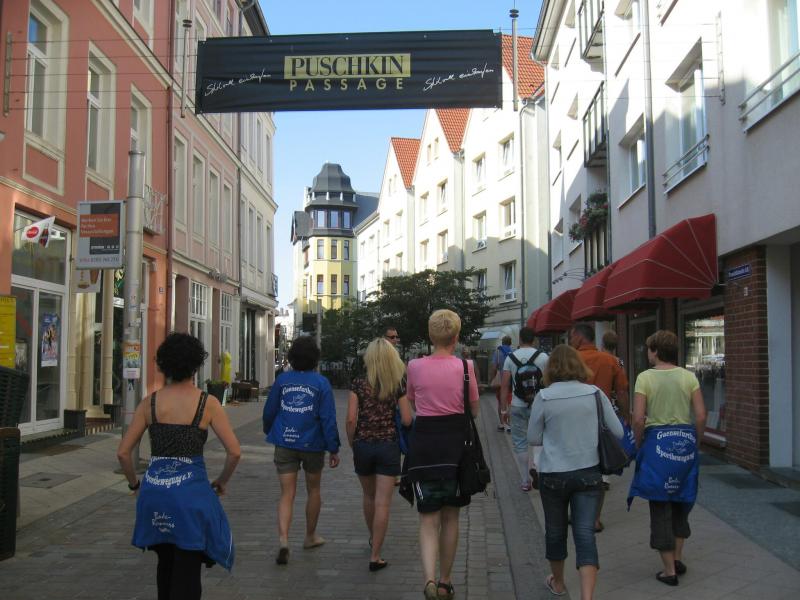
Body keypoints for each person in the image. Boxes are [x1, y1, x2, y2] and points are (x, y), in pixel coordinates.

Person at [117, 333, 241, 600]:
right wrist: (221, 481)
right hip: (191, 496)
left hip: (155, 493)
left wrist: (135, 486)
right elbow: (234, 452)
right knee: (188, 569)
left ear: (164, 364)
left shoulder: (149, 403)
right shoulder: (207, 403)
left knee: (165, 563)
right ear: (195, 366)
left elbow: (124, 453)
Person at [527, 344, 623, 600]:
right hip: (589, 472)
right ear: (579, 366)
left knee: (555, 531)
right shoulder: (595, 394)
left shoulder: (544, 397)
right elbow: (618, 431)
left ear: (551, 369)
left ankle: (558, 583)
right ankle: (586, 596)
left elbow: (533, 437)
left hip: (553, 474)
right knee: (585, 534)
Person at [406, 309, 479, 600]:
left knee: (427, 519)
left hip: (424, 447)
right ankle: (446, 581)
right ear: (456, 337)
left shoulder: (414, 366)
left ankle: (428, 579)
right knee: (451, 517)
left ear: (430, 335)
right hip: (455, 451)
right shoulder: (465, 367)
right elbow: (474, 410)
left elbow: (413, 402)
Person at [630, 330, 706, 587]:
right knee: (682, 499)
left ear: (656, 351)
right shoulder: (688, 377)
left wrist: (638, 443)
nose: (647, 353)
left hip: (657, 445)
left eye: (649, 349)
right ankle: (678, 558)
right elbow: (701, 415)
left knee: (660, 502)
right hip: (684, 444)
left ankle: (669, 570)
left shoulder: (645, 378)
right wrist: (697, 441)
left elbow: (638, 418)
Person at [263, 336, 340, 565]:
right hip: (312, 443)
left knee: (287, 494)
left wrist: (270, 430)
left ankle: (284, 540)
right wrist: (333, 447)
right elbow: (328, 418)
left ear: (292, 358)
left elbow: (269, 411)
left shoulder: (282, 380)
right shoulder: (321, 383)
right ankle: (310, 536)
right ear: (315, 359)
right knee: (313, 490)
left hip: (285, 442)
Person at [346, 338, 413, 571]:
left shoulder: (358, 383)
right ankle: (375, 555)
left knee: (368, 496)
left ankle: (372, 537)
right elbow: (407, 419)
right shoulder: (397, 383)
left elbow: (351, 419)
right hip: (388, 446)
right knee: (383, 502)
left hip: (363, 445)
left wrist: (352, 443)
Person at [569, 323, 629, 532]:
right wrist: (626, 416)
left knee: (574, 469)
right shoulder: (610, 360)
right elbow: (622, 392)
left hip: (573, 423)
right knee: (597, 471)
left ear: (579, 337)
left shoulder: (570, 360)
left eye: (572, 336)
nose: (570, 340)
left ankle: (576, 514)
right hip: (601, 422)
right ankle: (594, 518)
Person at [500, 327, 548, 491]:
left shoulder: (510, 358)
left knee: (520, 443)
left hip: (517, 405)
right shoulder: (543, 357)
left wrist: (503, 410)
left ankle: (525, 481)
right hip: (539, 405)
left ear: (519, 339)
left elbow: (504, 386)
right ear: (534, 340)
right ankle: (537, 466)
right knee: (540, 438)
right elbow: (549, 383)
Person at [489, 335, 514, 432]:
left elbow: (494, 367)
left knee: (500, 402)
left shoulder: (498, 352)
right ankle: (510, 424)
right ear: (510, 343)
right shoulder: (513, 352)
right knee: (510, 402)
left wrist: (492, 379)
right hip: (511, 380)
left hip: (501, 381)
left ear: (502, 342)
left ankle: (502, 424)